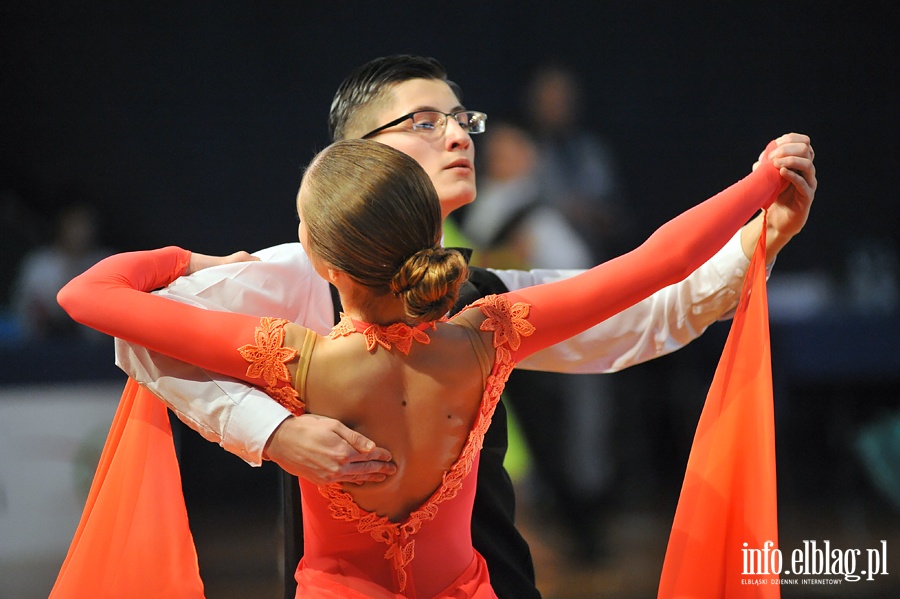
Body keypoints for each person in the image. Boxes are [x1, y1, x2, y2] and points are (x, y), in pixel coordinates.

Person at [114, 55, 816, 597]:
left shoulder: (483, 296)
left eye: (461, 119)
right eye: (425, 121)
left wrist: (766, 237)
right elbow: (138, 335)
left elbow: (649, 311)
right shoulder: (299, 272)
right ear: (356, 156)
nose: (458, 134)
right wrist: (272, 431)